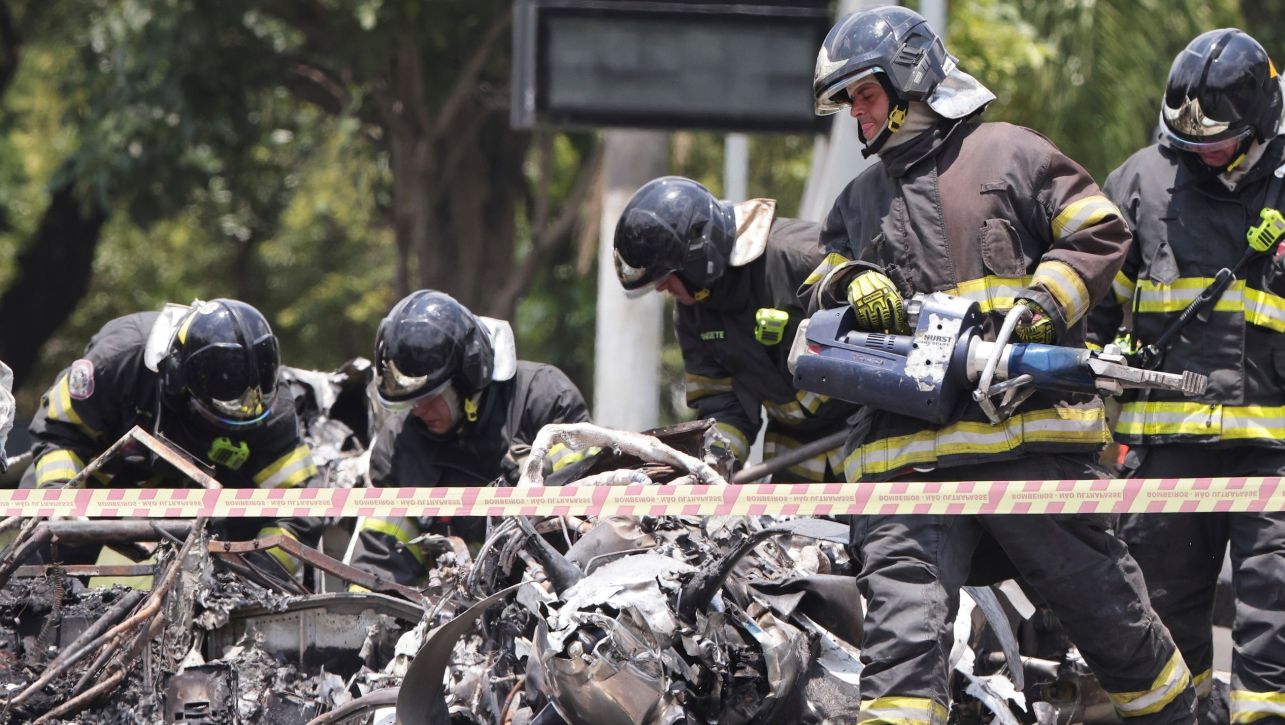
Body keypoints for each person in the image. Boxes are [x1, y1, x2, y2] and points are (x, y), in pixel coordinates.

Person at [801, 6, 1195, 723]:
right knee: (900, 662)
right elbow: (816, 288)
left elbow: (1099, 228)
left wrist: (1044, 300)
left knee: (1117, 629)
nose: (858, 116)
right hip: (904, 475)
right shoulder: (858, 201)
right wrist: (846, 281)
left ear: (910, 79)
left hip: (1026, 458)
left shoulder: (1007, 153)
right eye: (849, 103)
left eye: (866, 95)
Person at [1088, 28, 1285, 723]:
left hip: (1277, 455)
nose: (1202, 150)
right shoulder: (1141, 181)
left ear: (1261, 122)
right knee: (1162, 624)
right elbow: (1091, 308)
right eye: (1189, 137)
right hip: (1167, 453)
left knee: (1276, 624)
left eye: (1220, 139)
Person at [26, 299, 321, 569]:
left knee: (231, 576)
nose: (245, 409)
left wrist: (261, 571)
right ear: (179, 379)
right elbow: (60, 431)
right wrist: (60, 497)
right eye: (228, 404)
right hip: (94, 482)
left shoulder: (268, 407)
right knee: (46, 571)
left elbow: (300, 506)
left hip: (197, 500)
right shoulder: (117, 360)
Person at [613, 176, 857, 481]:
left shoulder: (802, 257)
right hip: (794, 456)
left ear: (696, 258)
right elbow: (722, 405)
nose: (662, 288)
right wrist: (712, 466)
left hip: (862, 433)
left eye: (665, 276)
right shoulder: (693, 311)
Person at [349, 290, 590, 587]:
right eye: (410, 401)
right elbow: (380, 560)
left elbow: (590, 504)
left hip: (560, 600)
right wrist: (360, 616)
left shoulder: (543, 400)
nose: (418, 410)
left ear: (468, 378)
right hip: (457, 611)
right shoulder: (398, 446)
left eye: (430, 397)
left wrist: (537, 473)